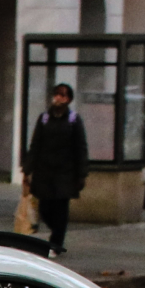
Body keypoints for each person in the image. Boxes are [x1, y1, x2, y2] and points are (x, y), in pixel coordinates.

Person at [22, 82, 87, 256]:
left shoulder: (73, 120)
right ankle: (56, 232)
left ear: (69, 99)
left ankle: (56, 243)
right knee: (45, 209)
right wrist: (27, 169)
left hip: (65, 173)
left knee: (61, 210)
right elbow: (35, 144)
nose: (58, 98)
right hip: (44, 172)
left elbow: (80, 148)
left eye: (62, 95)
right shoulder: (44, 119)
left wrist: (81, 174)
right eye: (56, 94)